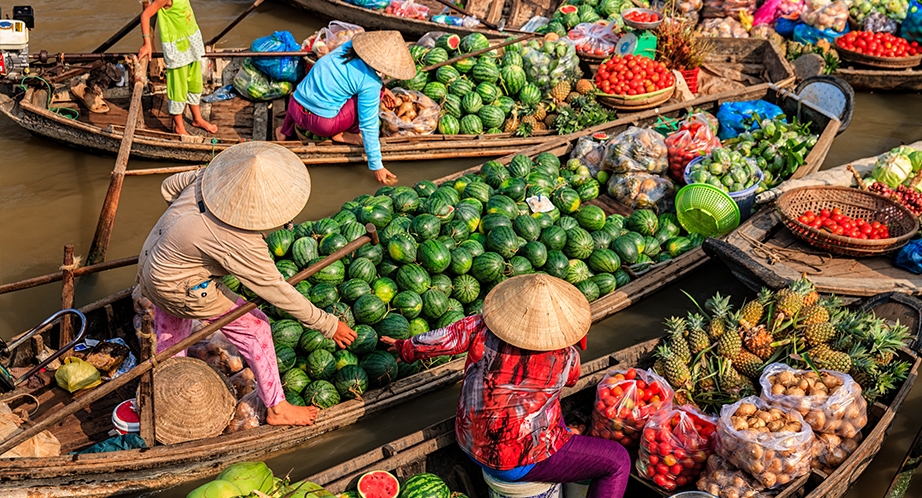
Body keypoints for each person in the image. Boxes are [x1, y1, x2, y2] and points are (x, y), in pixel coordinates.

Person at [133, 141, 356, 426]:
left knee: (173, 328)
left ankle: (165, 386)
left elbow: (169, 186)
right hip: (180, 287)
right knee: (257, 327)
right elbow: (274, 289)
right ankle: (277, 408)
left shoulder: (205, 178)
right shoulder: (240, 241)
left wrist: (188, 234)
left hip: (152, 263)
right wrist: (328, 324)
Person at [380, 274, 630, 498]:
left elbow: (442, 339)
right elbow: (572, 379)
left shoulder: (479, 325)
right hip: (517, 463)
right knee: (618, 461)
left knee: (553, 414)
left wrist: (405, 347)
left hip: (469, 442)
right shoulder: (566, 358)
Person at [277, 31, 416, 185]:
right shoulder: (370, 83)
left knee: (312, 90)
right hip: (321, 125)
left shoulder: (346, 48)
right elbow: (368, 125)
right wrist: (377, 166)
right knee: (372, 97)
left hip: (295, 105)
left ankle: (284, 132)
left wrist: (381, 87)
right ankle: (344, 134)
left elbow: (348, 75)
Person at [138, 0, 218, 136]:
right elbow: (145, 15)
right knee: (178, 90)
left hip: (191, 44)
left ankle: (197, 118)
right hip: (178, 50)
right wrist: (147, 43)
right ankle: (179, 127)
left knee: (195, 84)